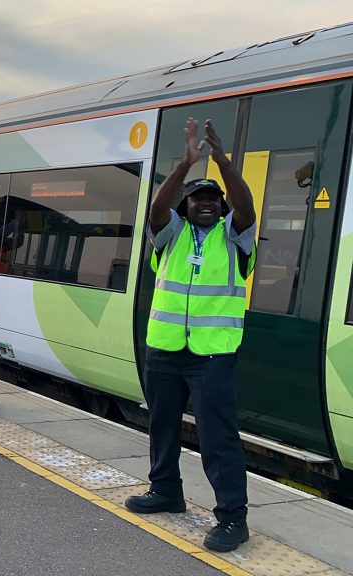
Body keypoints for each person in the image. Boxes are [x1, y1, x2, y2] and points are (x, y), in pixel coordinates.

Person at [124, 118, 257, 553]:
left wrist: (221, 161)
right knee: (160, 426)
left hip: (212, 356)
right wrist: (184, 165)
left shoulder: (235, 240)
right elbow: (156, 210)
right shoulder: (170, 236)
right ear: (185, 206)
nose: (207, 204)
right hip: (163, 349)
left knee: (218, 438)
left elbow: (246, 206)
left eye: (213, 199)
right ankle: (166, 490)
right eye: (197, 199)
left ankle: (233, 518)